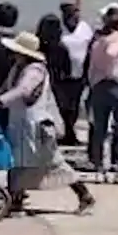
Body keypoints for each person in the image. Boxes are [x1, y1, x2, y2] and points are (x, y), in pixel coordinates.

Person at [0, 31, 96, 215]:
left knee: (53, 163)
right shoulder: (17, 68)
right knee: (18, 162)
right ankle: (15, 199)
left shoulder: (34, 71)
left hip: (36, 126)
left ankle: (84, 195)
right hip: (20, 123)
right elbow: (6, 88)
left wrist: (1, 101)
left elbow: (23, 90)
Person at [87, 6, 118, 184]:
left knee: (99, 129)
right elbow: (111, 53)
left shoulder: (97, 40)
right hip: (117, 85)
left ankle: (99, 168)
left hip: (99, 86)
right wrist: (116, 48)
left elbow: (91, 66)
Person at [58, 3, 93, 145]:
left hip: (79, 74)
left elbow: (90, 48)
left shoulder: (84, 29)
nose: (75, 20)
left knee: (74, 105)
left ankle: (70, 132)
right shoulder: (59, 30)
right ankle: (68, 132)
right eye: (72, 17)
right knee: (63, 106)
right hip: (62, 76)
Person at [36, 14, 74, 145]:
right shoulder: (61, 48)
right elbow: (67, 69)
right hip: (57, 84)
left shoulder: (37, 46)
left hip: (39, 83)